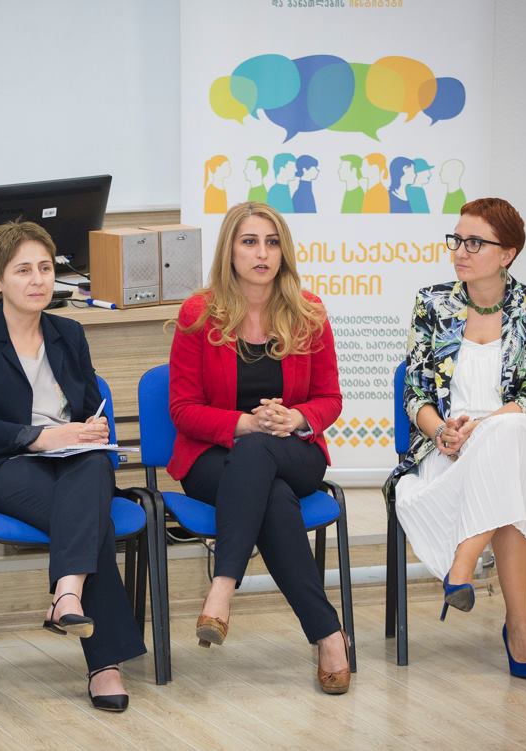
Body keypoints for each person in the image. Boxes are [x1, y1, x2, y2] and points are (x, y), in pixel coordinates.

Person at [0, 221, 146, 712]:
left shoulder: (68, 332)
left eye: (46, 268)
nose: (38, 280)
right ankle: (104, 664)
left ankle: (67, 594)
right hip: (2, 463)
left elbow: (91, 406)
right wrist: (42, 437)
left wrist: (91, 429)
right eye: (23, 270)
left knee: (94, 468)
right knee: (92, 521)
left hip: (74, 460)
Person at [385, 197, 526, 681]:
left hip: (525, 436)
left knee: (510, 436)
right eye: (456, 239)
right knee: (511, 483)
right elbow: (415, 390)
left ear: (507, 253)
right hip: (448, 449)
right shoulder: (432, 302)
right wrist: (441, 431)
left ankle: (464, 562)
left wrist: (482, 429)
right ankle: (520, 628)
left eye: (474, 242)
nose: (460, 251)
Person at [167, 201, 350, 694]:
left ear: (283, 252)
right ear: (230, 250)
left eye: (271, 243)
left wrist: (295, 417)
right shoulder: (198, 314)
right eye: (249, 242)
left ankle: (221, 589)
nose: (262, 253)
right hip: (213, 457)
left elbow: (330, 398)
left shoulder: (308, 312)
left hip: (294, 452)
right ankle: (330, 636)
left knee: (260, 456)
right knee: (269, 490)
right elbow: (182, 409)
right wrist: (245, 423)